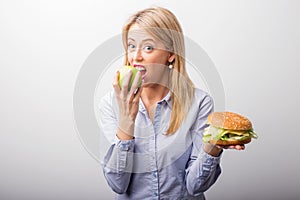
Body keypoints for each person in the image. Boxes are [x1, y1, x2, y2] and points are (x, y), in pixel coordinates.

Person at [99, 7, 244, 200]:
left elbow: (195, 187)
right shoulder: (110, 104)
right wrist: (127, 121)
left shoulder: (199, 103)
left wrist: (213, 146)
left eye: (148, 47)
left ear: (171, 54)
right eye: (132, 46)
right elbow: (118, 184)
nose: (136, 56)